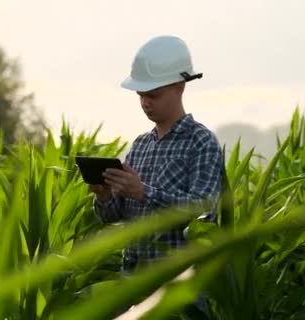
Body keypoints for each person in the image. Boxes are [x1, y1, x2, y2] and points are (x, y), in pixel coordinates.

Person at [90, 34, 223, 274]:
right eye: (141, 94)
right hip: (132, 279)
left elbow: (203, 210)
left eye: (153, 95)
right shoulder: (140, 145)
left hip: (179, 284)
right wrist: (103, 196)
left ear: (179, 87)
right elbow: (113, 216)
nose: (145, 102)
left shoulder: (201, 141)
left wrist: (143, 192)